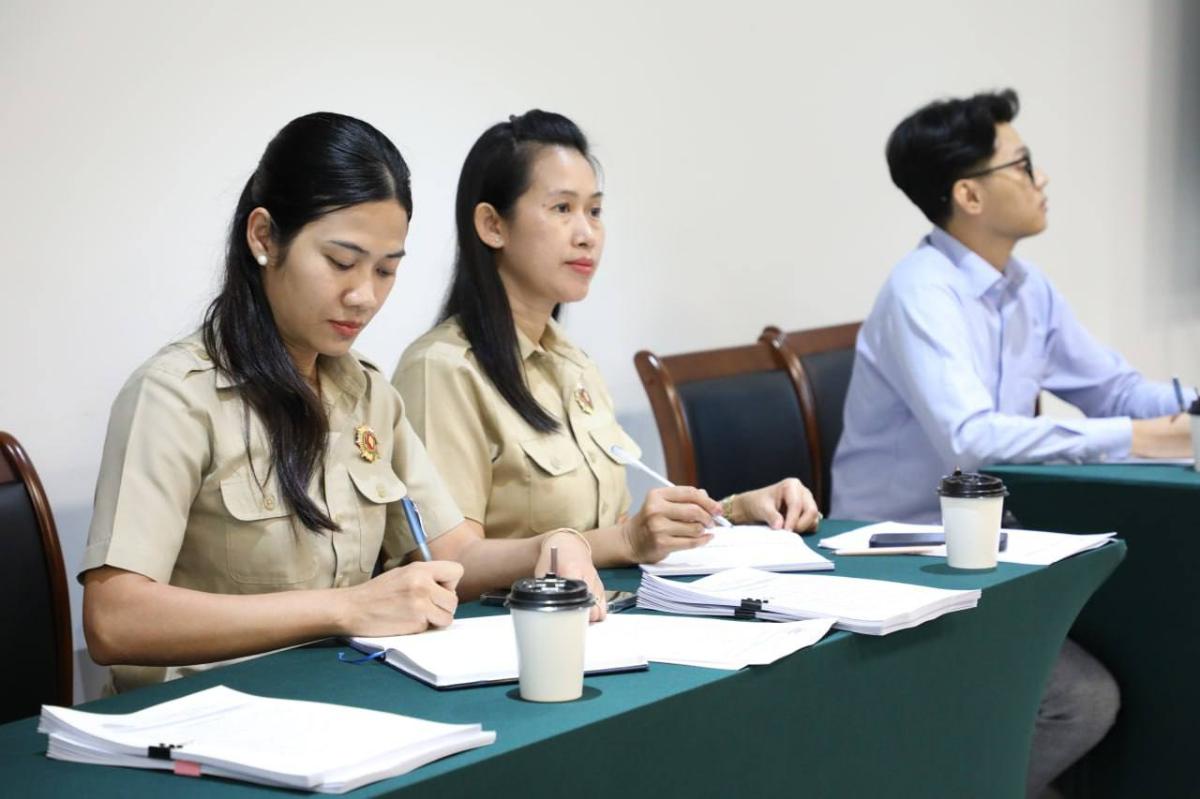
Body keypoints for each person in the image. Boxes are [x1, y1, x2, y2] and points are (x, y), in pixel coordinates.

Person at [82, 112, 597, 694]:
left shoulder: (368, 395)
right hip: (200, 717)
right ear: (263, 237)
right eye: (340, 263)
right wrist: (346, 608)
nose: (364, 296)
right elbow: (115, 619)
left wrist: (551, 545)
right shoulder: (177, 395)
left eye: (386, 270)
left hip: (340, 703)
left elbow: (453, 552)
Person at [831, 89, 1182, 797]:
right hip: (902, 558)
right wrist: (1141, 437)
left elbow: (1114, 389)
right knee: (1080, 699)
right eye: (1022, 165)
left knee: (1157, 638)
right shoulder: (921, 293)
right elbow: (973, 442)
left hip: (993, 550)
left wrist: (1186, 406)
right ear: (969, 195)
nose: (1041, 177)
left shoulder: (1025, 288)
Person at [392, 110, 820, 597]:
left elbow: (610, 532)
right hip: (511, 628)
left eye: (594, 211)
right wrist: (624, 540)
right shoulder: (443, 369)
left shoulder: (573, 363)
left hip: (604, 614)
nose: (587, 234)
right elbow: (448, 563)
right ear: (492, 225)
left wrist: (735, 512)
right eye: (562, 208)